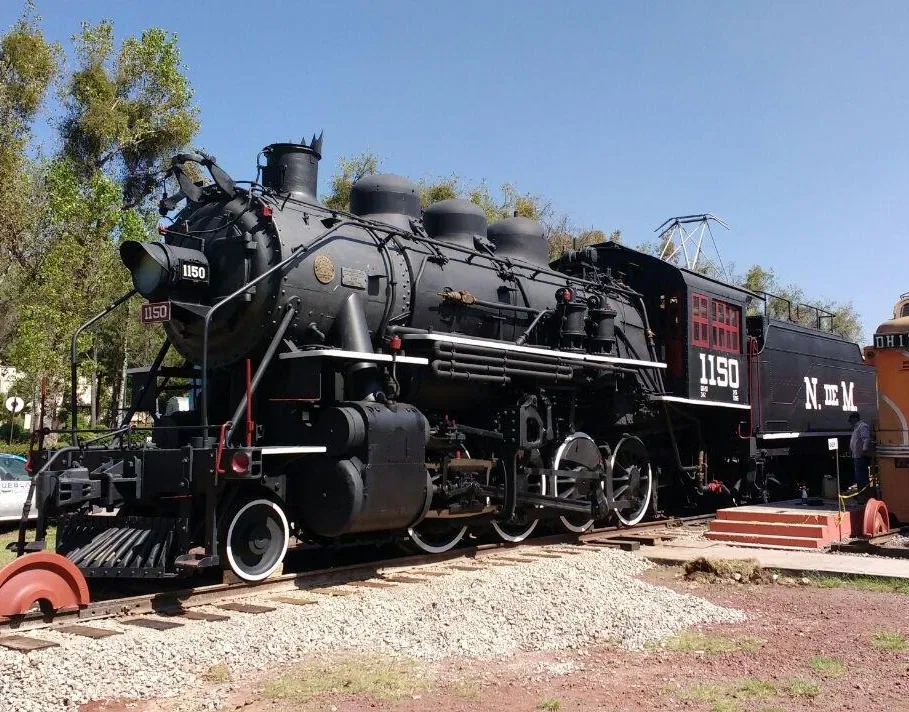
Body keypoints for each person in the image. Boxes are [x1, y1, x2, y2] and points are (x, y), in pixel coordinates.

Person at [848, 412, 872, 500]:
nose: (850, 422)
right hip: (857, 455)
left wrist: (864, 450)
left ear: (855, 418)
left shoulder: (862, 426)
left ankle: (864, 495)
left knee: (862, 476)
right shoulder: (856, 428)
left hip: (861, 455)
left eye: (851, 420)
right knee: (858, 475)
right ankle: (861, 493)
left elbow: (866, 439)